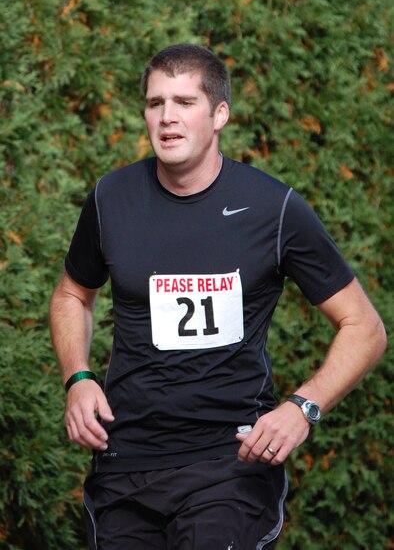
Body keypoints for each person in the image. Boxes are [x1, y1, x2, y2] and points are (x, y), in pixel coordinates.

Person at [49, 43, 386, 550]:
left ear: (220, 113)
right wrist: (77, 377)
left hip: (230, 466)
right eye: (154, 103)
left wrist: (303, 407)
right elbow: (71, 295)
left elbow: (364, 326)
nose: (166, 118)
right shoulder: (111, 199)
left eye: (184, 103)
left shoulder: (275, 208)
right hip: (126, 465)